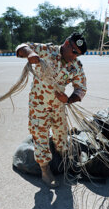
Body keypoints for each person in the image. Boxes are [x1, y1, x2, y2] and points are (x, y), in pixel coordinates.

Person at [16, 32, 87, 187]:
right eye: (74, 52)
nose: (74, 57)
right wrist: (30, 53)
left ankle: (65, 162)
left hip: (58, 106)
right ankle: (45, 170)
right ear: (67, 43)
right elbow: (21, 47)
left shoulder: (76, 65)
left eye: (78, 54)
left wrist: (68, 99)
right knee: (40, 135)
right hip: (38, 105)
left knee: (61, 136)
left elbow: (81, 89)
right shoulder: (47, 51)